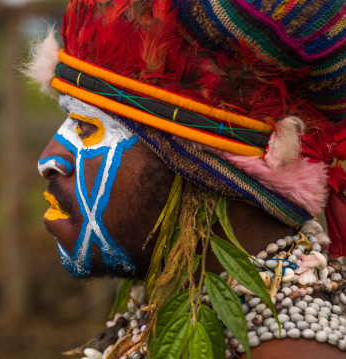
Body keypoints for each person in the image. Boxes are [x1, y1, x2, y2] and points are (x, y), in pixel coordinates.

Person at [23, 0, 346, 358]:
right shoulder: (174, 293)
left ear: (199, 168)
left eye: (86, 127)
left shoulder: (288, 351)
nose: (48, 161)